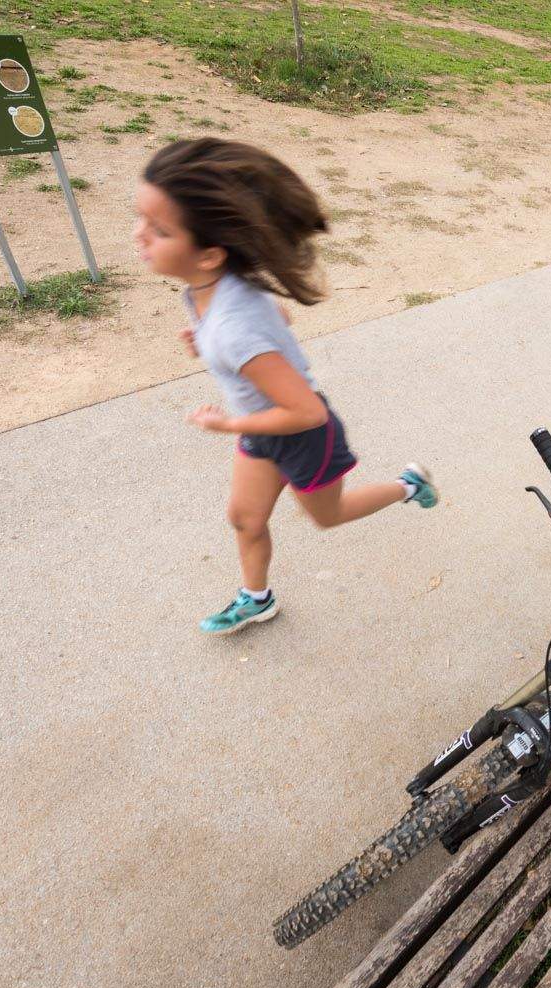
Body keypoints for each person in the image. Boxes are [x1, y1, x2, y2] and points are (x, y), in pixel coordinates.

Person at [135, 138, 439, 634]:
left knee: (329, 515)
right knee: (244, 518)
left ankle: (410, 486)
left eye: (159, 230)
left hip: (299, 433)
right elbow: (271, 317)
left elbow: (306, 413)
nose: (139, 236)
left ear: (210, 254)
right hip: (265, 426)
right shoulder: (210, 290)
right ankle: (257, 598)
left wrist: (229, 419)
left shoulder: (234, 325)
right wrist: (208, 341)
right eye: (141, 219)